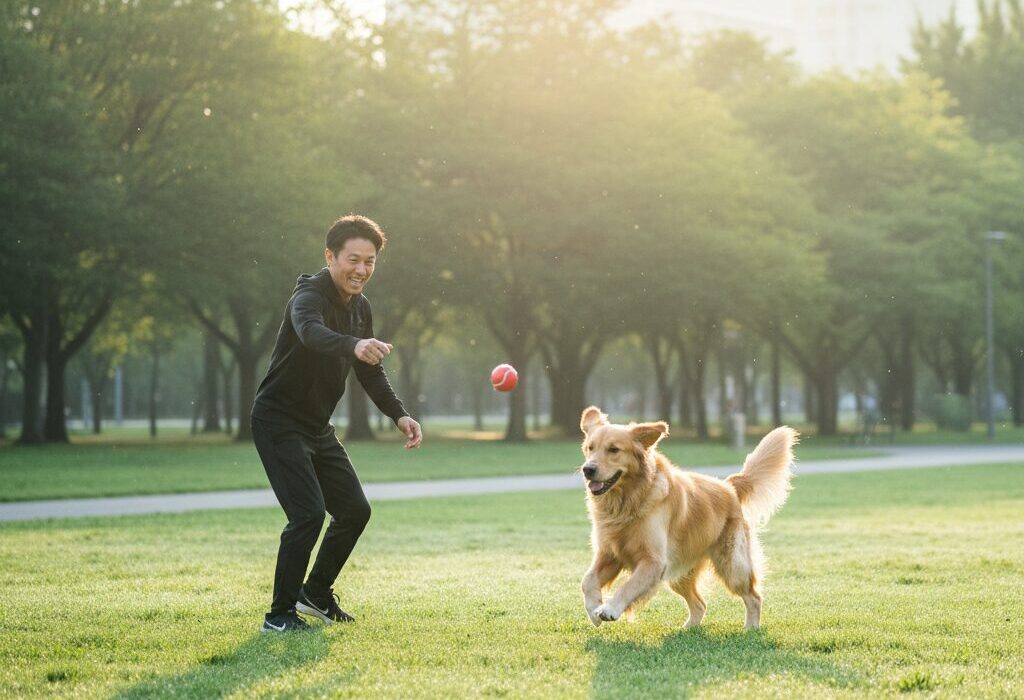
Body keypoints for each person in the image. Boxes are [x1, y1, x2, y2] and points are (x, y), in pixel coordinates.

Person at [251, 214, 423, 633]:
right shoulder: (307, 298)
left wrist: (398, 414)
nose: (361, 270)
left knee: (354, 511)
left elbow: (368, 370)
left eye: (370, 262)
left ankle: (316, 593)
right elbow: (311, 334)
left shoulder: (359, 307)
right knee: (308, 514)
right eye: (353, 259)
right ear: (330, 256)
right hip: (278, 421)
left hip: (316, 427)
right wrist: (354, 343)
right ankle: (279, 615)